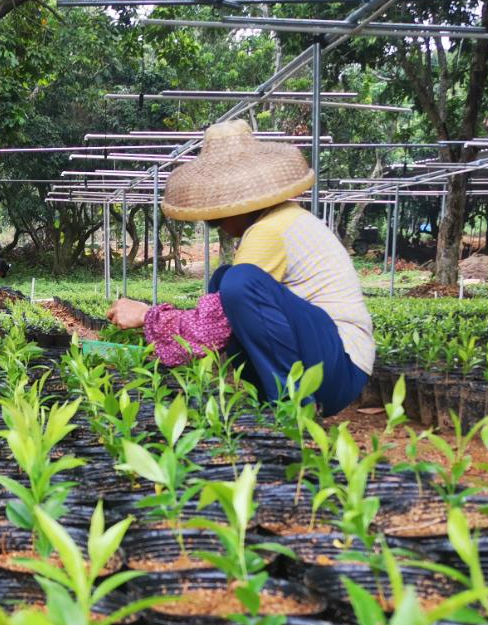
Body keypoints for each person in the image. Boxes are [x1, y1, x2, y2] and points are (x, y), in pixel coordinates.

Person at [106, 121, 373, 416]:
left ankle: (294, 410)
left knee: (237, 283)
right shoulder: (279, 220)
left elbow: (211, 327)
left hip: (340, 365)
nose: (216, 220)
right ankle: (274, 403)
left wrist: (147, 315)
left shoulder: (270, 231)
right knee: (224, 281)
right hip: (330, 358)